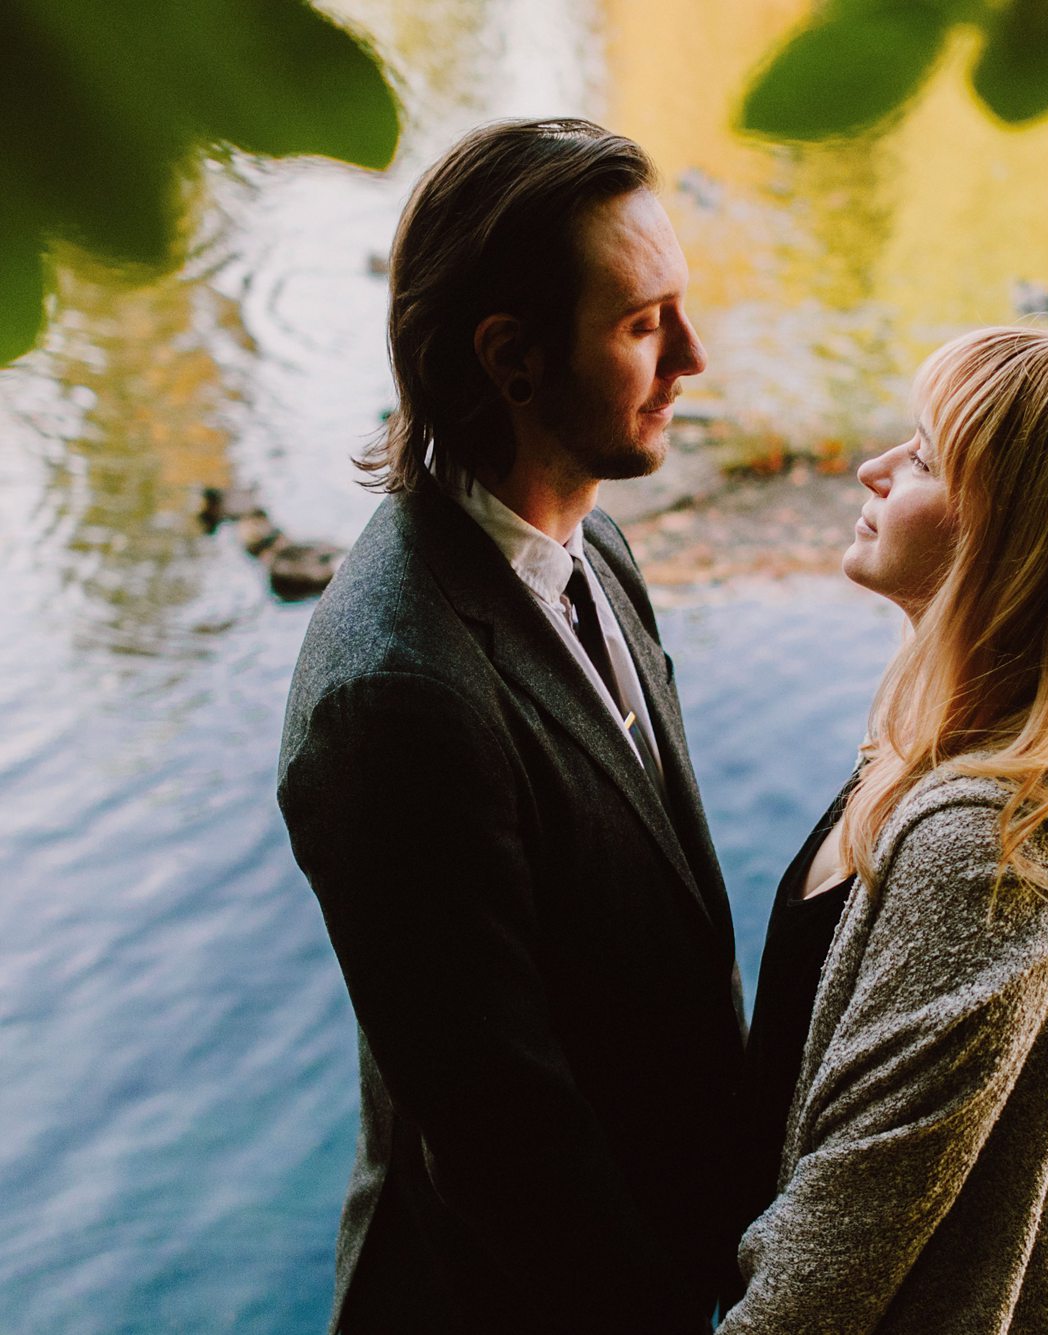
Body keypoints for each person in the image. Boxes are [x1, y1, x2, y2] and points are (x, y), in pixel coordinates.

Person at [276, 118, 743, 1333]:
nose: (692, 357)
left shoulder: (599, 547)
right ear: (512, 359)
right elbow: (507, 1151)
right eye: (644, 324)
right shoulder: (397, 700)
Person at [726, 326, 1048, 1333]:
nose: (869, 472)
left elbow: (833, 1249)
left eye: (918, 459)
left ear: (1012, 533)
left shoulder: (988, 847)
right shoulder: (926, 758)